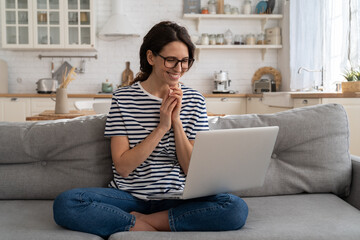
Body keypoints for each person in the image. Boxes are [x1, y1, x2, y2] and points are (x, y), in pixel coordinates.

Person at [53, 21, 248, 238]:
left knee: (235, 208)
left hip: (178, 197)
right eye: (171, 60)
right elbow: (124, 167)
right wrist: (162, 127)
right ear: (151, 57)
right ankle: (165, 224)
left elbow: (191, 169)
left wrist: (176, 122)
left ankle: (142, 223)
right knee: (67, 203)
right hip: (129, 197)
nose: (179, 68)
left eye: (185, 61)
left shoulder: (195, 101)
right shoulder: (123, 99)